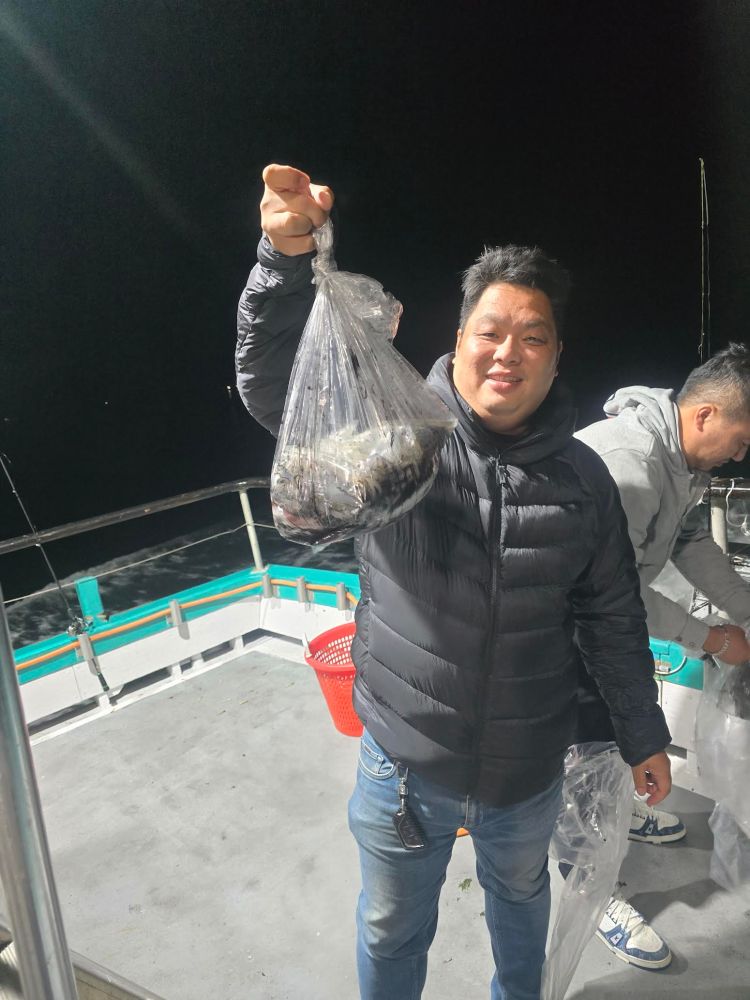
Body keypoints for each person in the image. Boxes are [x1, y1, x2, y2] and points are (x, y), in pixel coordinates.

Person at [236, 163, 672, 1000]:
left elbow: (612, 615)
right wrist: (283, 261)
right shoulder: (398, 438)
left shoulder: (584, 481)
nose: (508, 351)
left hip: (527, 772)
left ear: (555, 356)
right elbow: (279, 387)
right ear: (460, 334)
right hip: (403, 765)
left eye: (532, 335)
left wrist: (643, 732)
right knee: (391, 929)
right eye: (490, 329)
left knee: (520, 906)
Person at [574, 346, 750, 970]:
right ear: (704, 416)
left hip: (609, 630)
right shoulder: (632, 465)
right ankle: (588, 889)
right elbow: (611, 592)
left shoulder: (682, 464)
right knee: (581, 758)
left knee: (620, 742)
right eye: (738, 439)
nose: (739, 456)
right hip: (567, 639)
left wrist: (746, 611)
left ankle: (618, 820)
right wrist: (711, 639)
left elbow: (691, 541)